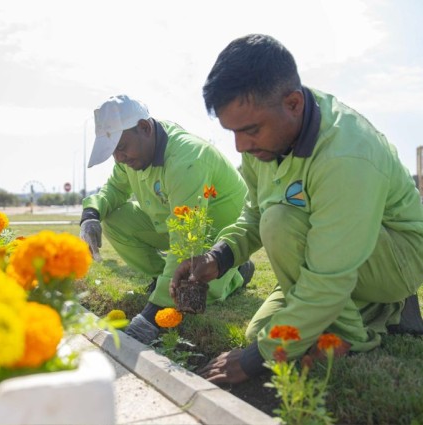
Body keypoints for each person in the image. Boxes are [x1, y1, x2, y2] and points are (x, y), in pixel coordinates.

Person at [171, 34, 423, 384]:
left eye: (250, 130)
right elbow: (255, 213)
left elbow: (326, 278)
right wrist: (219, 257)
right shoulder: (264, 141)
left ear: (293, 103)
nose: (241, 145)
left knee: (270, 340)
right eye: (232, 132)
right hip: (333, 252)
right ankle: (378, 310)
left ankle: (354, 331)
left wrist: (254, 360)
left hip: (397, 256)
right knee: (258, 333)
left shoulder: (347, 156)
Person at [80, 94, 254, 344]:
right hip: (167, 222)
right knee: (113, 219)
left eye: (121, 147)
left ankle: (236, 273)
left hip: (217, 234)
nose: (119, 158)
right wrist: (91, 215)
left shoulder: (187, 159)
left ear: (145, 128)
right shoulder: (130, 158)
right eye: (113, 152)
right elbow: (115, 190)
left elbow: (186, 240)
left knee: (202, 288)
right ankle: (166, 280)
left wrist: (153, 315)